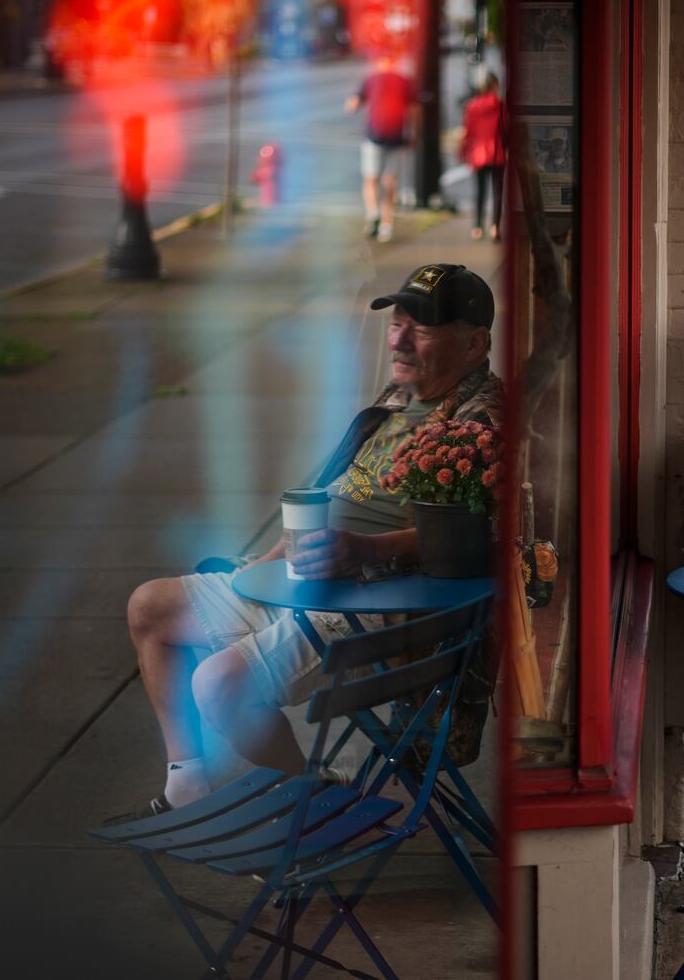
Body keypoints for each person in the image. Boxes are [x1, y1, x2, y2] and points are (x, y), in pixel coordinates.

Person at [114, 264, 503, 820]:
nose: (399, 339)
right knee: (150, 608)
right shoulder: (399, 397)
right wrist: (267, 563)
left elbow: (481, 539)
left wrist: (368, 550)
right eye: (397, 322)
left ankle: (315, 803)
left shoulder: (483, 420)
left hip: (382, 604)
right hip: (312, 578)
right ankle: (188, 786)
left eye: (422, 328)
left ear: (474, 343)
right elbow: (329, 494)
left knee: (220, 685)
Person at [346, 55, 415, 243]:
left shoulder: (370, 79)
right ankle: (387, 226)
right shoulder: (404, 81)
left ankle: (372, 213)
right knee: (390, 182)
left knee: (370, 179)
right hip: (397, 137)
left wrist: (354, 105)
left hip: (374, 136)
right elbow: (415, 110)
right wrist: (413, 134)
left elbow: (353, 105)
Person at [461, 72, 506, 242]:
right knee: (497, 192)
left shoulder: (472, 105)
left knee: (479, 191)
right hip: (497, 152)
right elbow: (506, 128)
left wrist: (464, 151)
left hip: (478, 154)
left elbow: (468, 130)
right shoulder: (500, 104)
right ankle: (495, 226)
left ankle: (478, 227)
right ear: (495, 85)